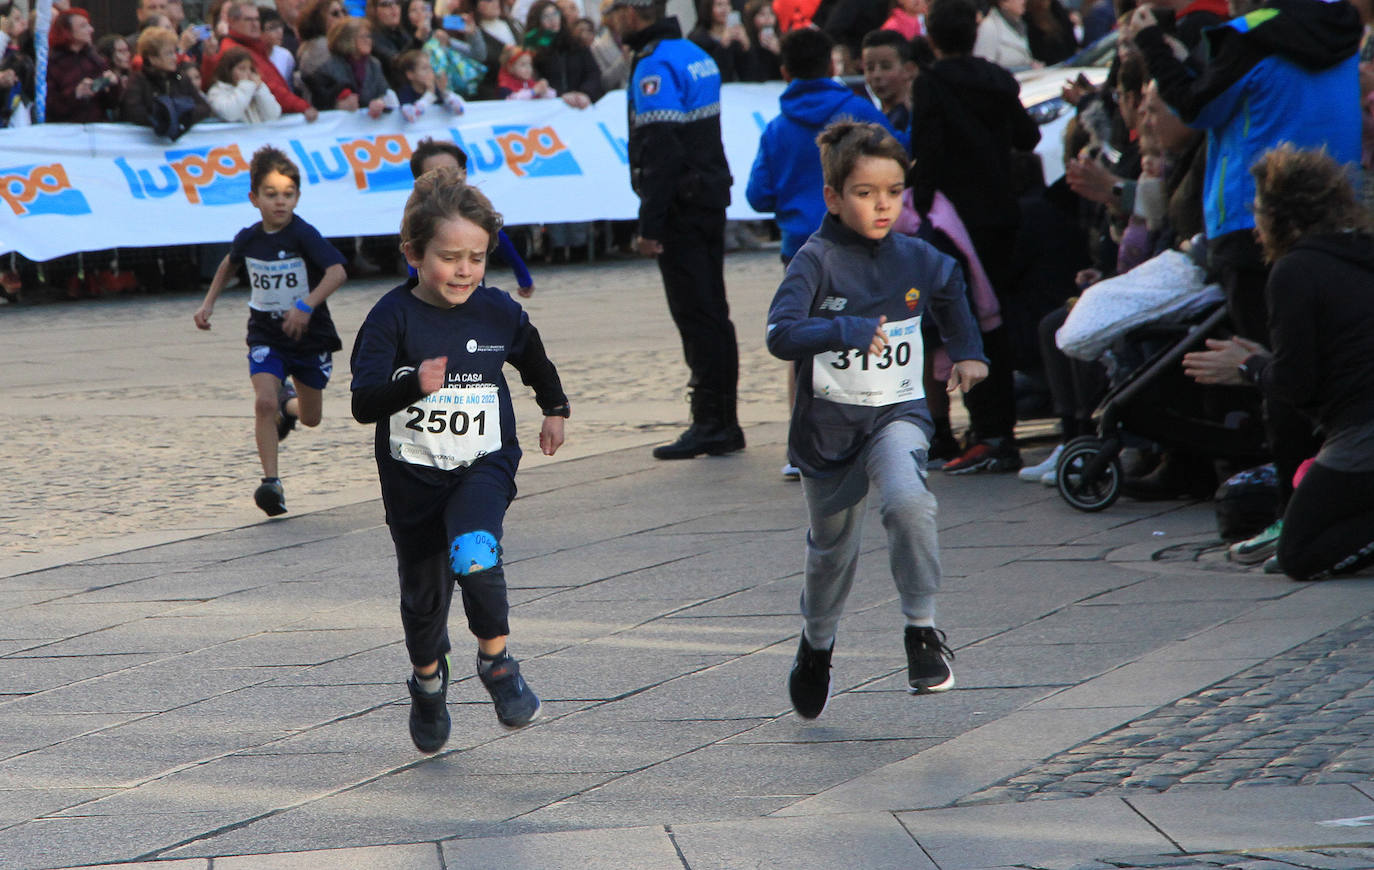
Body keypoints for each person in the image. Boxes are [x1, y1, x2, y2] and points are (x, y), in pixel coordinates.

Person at [765, 121, 987, 719]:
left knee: (908, 504)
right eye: (865, 192)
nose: (884, 203)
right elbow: (780, 335)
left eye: (893, 190)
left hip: (897, 414)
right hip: (829, 432)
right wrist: (844, 329)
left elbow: (950, 285)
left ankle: (921, 630)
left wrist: (968, 350)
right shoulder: (815, 261)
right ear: (834, 198)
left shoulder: (916, 257)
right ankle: (816, 646)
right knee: (832, 551)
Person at [349, 168, 569, 752]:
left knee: (476, 552)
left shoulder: (497, 311)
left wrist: (554, 406)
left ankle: (497, 664)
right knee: (424, 602)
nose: (465, 270)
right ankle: (427, 680)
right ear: (414, 255)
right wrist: (412, 385)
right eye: (450, 257)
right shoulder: (390, 318)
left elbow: (533, 357)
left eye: (477, 257)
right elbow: (364, 402)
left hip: (483, 462)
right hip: (413, 478)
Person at [1182, 146, 1374, 580]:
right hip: (1359, 425)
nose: (1255, 229)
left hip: (1362, 436)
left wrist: (1249, 367)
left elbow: (1296, 385)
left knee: (1300, 555)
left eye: (1259, 213)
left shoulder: (1295, 271)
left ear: (1282, 218)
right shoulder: (1359, 254)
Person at [748, 27, 895, 479]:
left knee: (805, 343)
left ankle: (802, 449)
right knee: (873, 334)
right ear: (833, 65)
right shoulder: (859, 113)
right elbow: (897, 156)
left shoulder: (776, 128)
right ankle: (878, 438)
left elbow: (758, 195)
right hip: (861, 242)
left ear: (785, 71)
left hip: (800, 251)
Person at [911, 0, 1040, 473]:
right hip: (1001, 214)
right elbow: (1028, 138)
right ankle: (997, 429)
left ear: (932, 38)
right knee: (995, 320)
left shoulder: (931, 84)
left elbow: (925, 148)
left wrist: (921, 208)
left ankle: (986, 430)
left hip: (954, 222)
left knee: (964, 322)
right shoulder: (997, 79)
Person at [610, 0, 743, 460]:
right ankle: (725, 420)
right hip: (709, 197)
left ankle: (710, 422)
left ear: (632, 12)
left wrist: (650, 224)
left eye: (611, 9)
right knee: (715, 313)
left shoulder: (656, 63)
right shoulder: (693, 53)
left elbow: (661, 149)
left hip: (681, 208)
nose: (608, 18)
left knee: (696, 315)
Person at [192, 146, 348, 517]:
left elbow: (337, 271)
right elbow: (228, 266)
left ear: (297, 197)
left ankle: (288, 405)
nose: (280, 202)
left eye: (288, 194)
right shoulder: (249, 237)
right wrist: (208, 304)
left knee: (311, 418)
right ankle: (271, 484)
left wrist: (306, 306)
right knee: (262, 401)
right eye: (271, 194)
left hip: (309, 338)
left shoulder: (303, 234)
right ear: (254, 198)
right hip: (265, 334)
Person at [409, 139, 536, 296]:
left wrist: (523, 277)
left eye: (452, 171)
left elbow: (502, 242)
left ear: (464, 174)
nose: (446, 178)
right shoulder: (418, 217)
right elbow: (415, 258)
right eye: (435, 174)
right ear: (420, 180)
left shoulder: (474, 212)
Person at [211, 0, 320, 120]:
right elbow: (270, 86)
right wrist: (301, 106)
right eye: (248, 20)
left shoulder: (252, 46)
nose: (255, 24)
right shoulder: (234, 50)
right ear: (232, 21)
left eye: (257, 19)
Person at [119, 25, 213, 132]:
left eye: (174, 52)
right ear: (152, 58)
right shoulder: (138, 80)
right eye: (169, 53)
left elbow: (204, 107)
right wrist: (162, 118)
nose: (174, 58)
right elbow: (131, 111)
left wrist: (182, 115)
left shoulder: (181, 78)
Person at [307, 17, 398, 115]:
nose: (369, 40)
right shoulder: (327, 69)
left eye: (369, 36)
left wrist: (381, 102)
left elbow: (385, 93)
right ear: (347, 39)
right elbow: (319, 103)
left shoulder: (374, 64)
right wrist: (337, 104)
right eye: (363, 36)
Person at [46, 7, 123, 123]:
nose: (91, 30)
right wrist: (76, 94)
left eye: (89, 25)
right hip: (66, 132)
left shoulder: (96, 60)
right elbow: (49, 106)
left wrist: (113, 85)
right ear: (67, 32)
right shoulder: (53, 64)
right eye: (83, 26)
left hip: (97, 128)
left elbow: (111, 104)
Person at [524, 0, 602, 105]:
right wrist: (560, 95)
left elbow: (593, 73)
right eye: (546, 16)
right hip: (552, 106)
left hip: (583, 104)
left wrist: (585, 93)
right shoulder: (533, 52)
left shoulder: (576, 44)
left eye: (555, 14)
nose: (552, 20)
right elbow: (533, 82)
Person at [207, 45, 284, 121]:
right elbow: (231, 114)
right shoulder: (216, 92)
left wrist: (260, 90)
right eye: (242, 69)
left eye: (250, 69)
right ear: (228, 70)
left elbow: (273, 115)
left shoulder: (253, 89)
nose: (248, 73)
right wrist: (245, 86)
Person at [860, 28, 915, 134]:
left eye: (886, 67)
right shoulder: (872, 118)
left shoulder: (912, 119)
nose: (877, 75)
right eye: (870, 68)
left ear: (908, 70)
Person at [394, 47, 466, 117]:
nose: (430, 72)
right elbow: (411, 116)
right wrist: (429, 94)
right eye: (424, 68)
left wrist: (444, 92)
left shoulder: (437, 90)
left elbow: (460, 110)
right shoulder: (406, 92)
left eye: (430, 68)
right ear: (410, 75)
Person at [687, 0, 747, 82]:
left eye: (728, 4)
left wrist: (746, 46)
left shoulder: (736, 35)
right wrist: (723, 45)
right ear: (708, 8)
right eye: (719, 5)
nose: (725, 9)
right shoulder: (697, 38)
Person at [973, 0, 1035, 71]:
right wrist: (1025, 68)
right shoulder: (989, 26)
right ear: (1003, 3)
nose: (1023, 1)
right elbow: (983, 68)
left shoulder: (1020, 25)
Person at [368, 0, 414, 85]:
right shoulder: (371, 37)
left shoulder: (401, 32)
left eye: (397, 2)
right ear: (374, 11)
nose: (393, 7)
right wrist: (418, 39)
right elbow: (398, 63)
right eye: (386, 4)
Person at [736, 0, 781, 81]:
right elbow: (749, 75)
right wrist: (748, 48)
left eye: (771, 14)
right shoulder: (745, 40)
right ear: (752, 18)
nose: (767, 18)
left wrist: (779, 52)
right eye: (762, 14)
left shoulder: (781, 40)